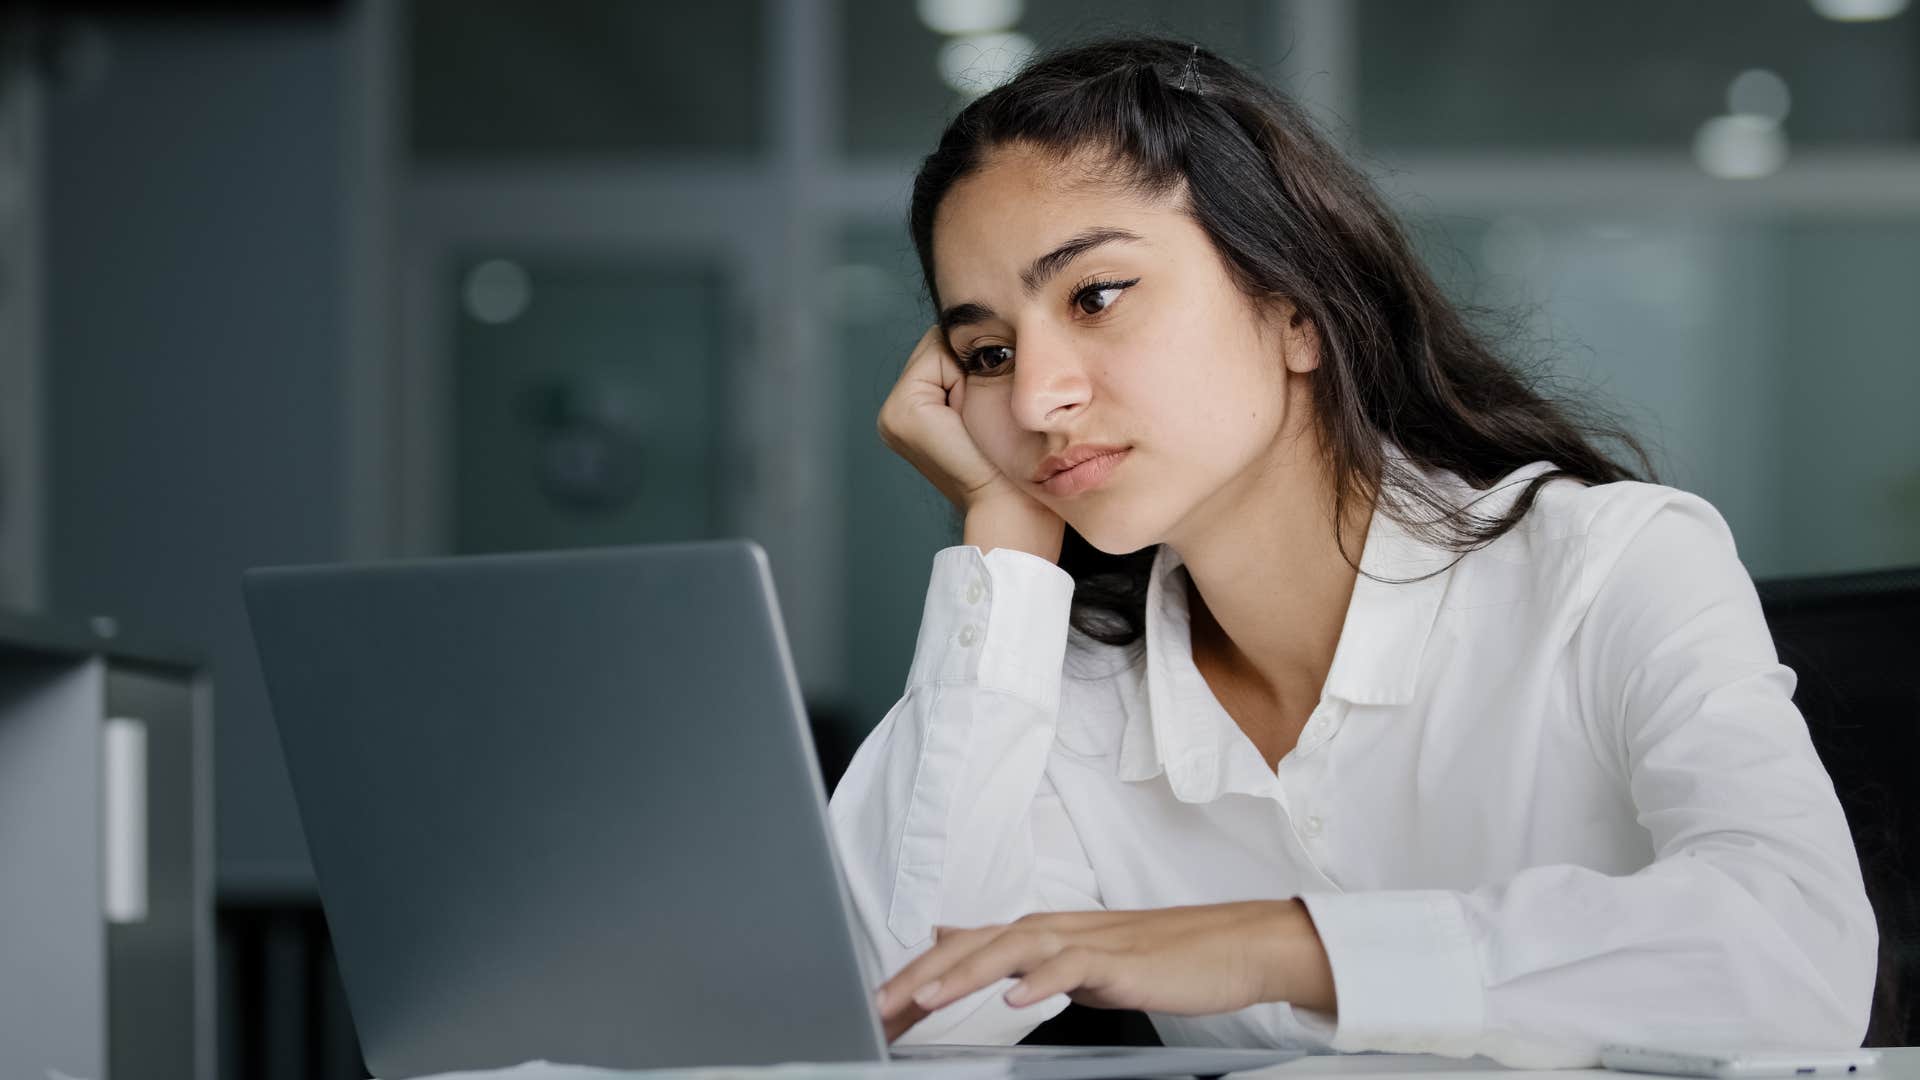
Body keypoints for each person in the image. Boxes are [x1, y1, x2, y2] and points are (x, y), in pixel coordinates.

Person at [825, 36, 1876, 1068]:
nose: (1038, 395)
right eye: (988, 353)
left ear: (1292, 311)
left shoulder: (1612, 566)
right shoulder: (1081, 693)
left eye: (1096, 296)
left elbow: (1797, 957)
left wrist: (1277, 946)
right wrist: (1005, 536)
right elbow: (912, 1003)